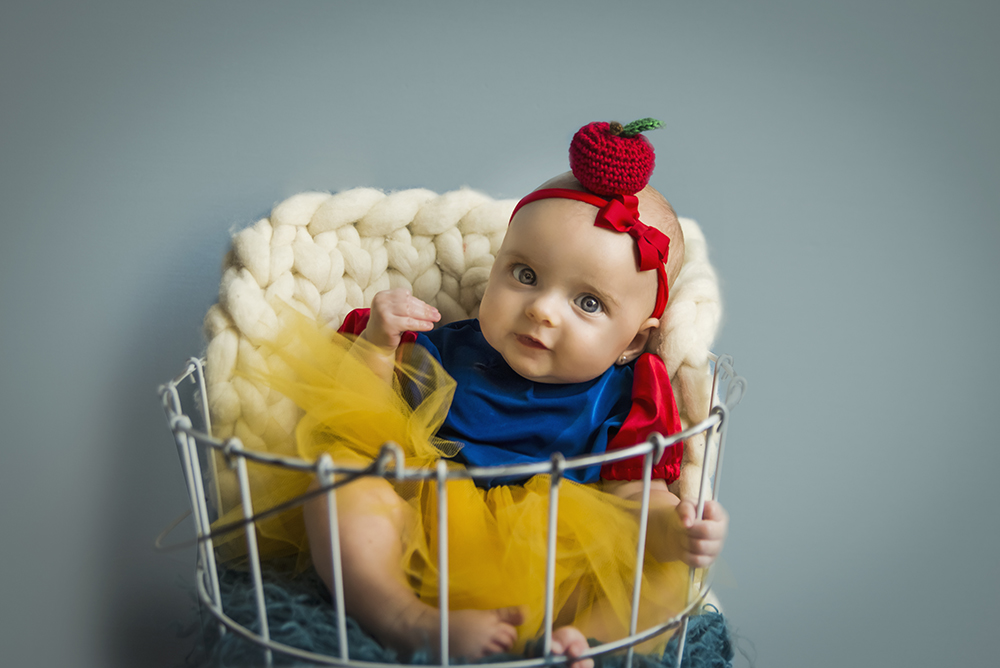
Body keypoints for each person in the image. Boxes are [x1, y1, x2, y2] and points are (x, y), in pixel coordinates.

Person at [254, 121, 729, 666]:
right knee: (340, 474)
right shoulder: (448, 351)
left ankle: (580, 645)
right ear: (496, 267)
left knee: (666, 576)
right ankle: (404, 619)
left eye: (589, 303)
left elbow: (633, 502)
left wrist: (676, 531)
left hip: (561, 568)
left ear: (634, 341)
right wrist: (378, 346)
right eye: (525, 274)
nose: (541, 309)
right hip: (422, 539)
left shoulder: (626, 398)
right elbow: (356, 417)